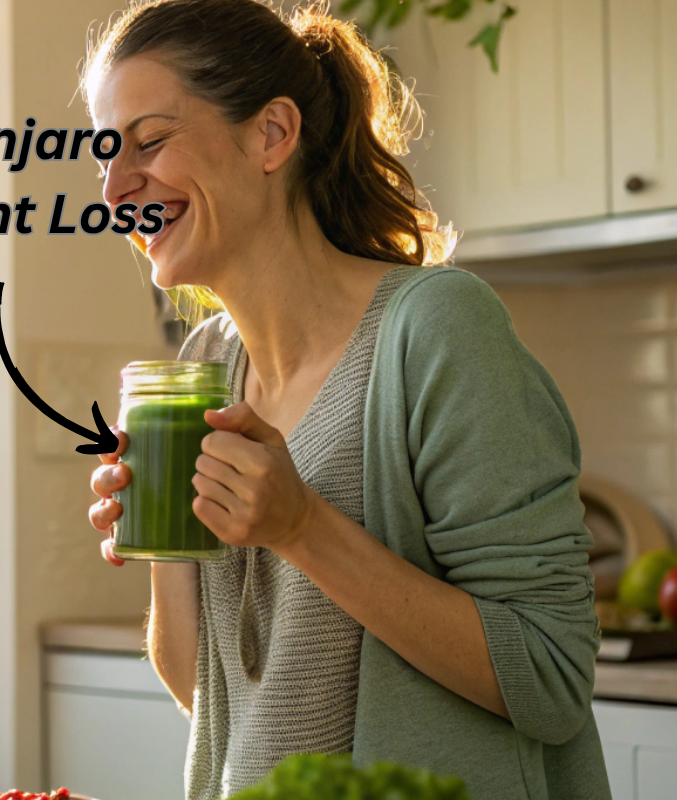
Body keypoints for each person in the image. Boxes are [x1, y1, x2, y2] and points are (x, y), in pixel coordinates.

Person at [81, 2, 611, 799]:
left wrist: (300, 527)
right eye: (104, 158)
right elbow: (217, 695)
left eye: (149, 142)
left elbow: (550, 676)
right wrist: (163, 534)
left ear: (271, 134)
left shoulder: (436, 331)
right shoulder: (206, 365)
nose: (118, 188)